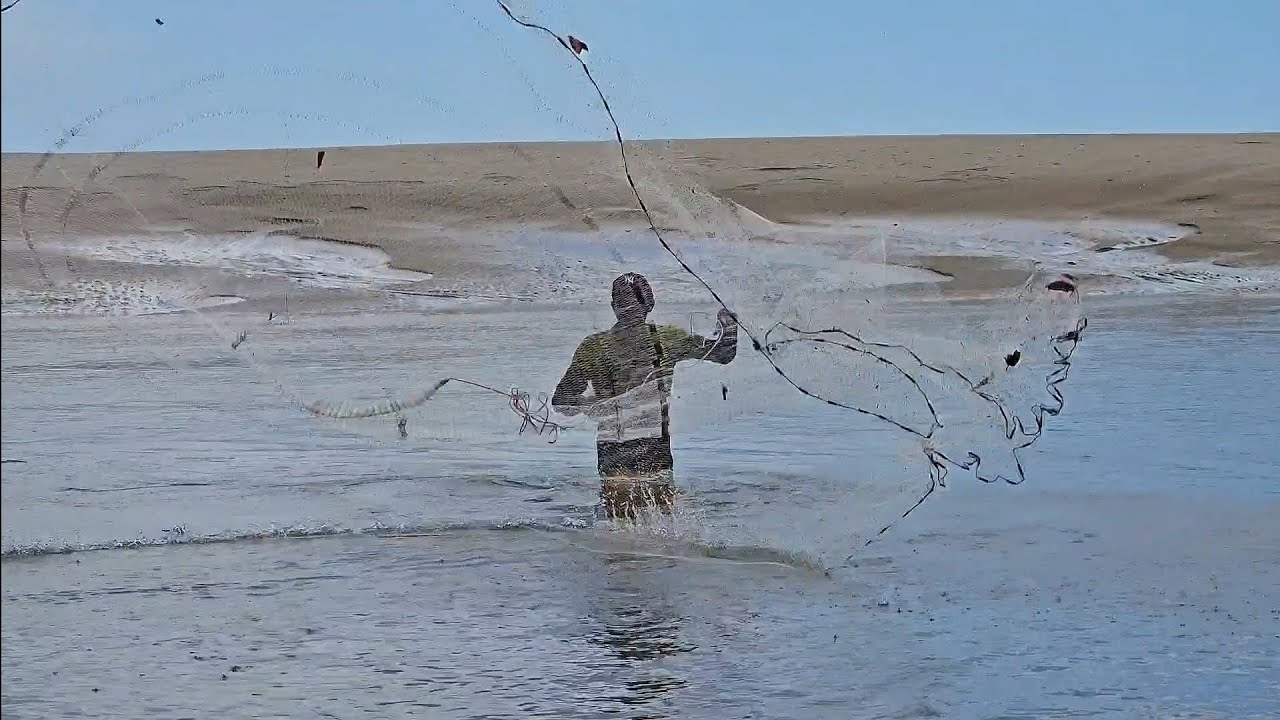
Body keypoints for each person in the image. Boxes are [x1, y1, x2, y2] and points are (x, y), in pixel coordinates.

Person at [552, 272, 738, 521]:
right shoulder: (667, 339)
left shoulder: (594, 346)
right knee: (662, 522)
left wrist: (596, 407)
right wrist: (729, 326)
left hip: (613, 448)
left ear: (613, 307)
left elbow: (562, 400)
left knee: (617, 523)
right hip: (654, 447)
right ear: (650, 305)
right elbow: (723, 354)